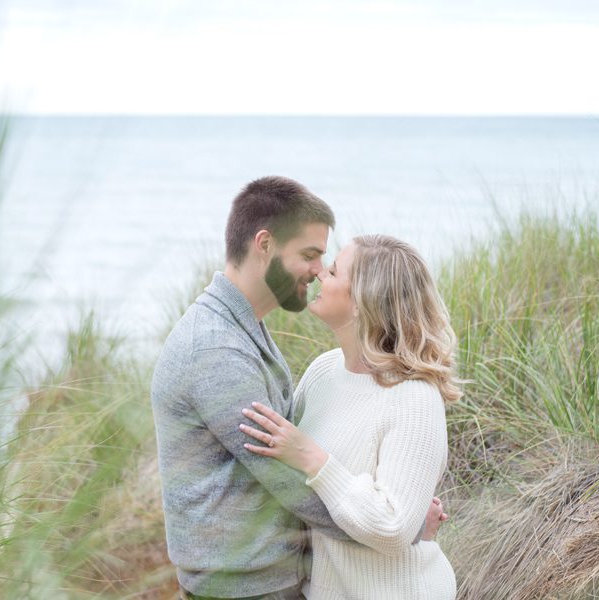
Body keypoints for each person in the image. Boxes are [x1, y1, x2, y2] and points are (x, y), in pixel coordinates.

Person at [152, 177, 446, 599]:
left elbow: (304, 458)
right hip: (241, 588)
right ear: (265, 244)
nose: (317, 271)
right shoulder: (216, 350)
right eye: (310, 255)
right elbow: (288, 478)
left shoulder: (246, 331)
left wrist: (398, 520)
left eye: (326, 262)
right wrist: (406, 527)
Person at [240, 235, 459, 599]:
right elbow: (289, 479)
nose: (320, 274)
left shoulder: (415, 398)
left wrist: (314, 459)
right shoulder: (324, 371)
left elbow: (392, 527)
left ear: (362, 302)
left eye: (335, 271)